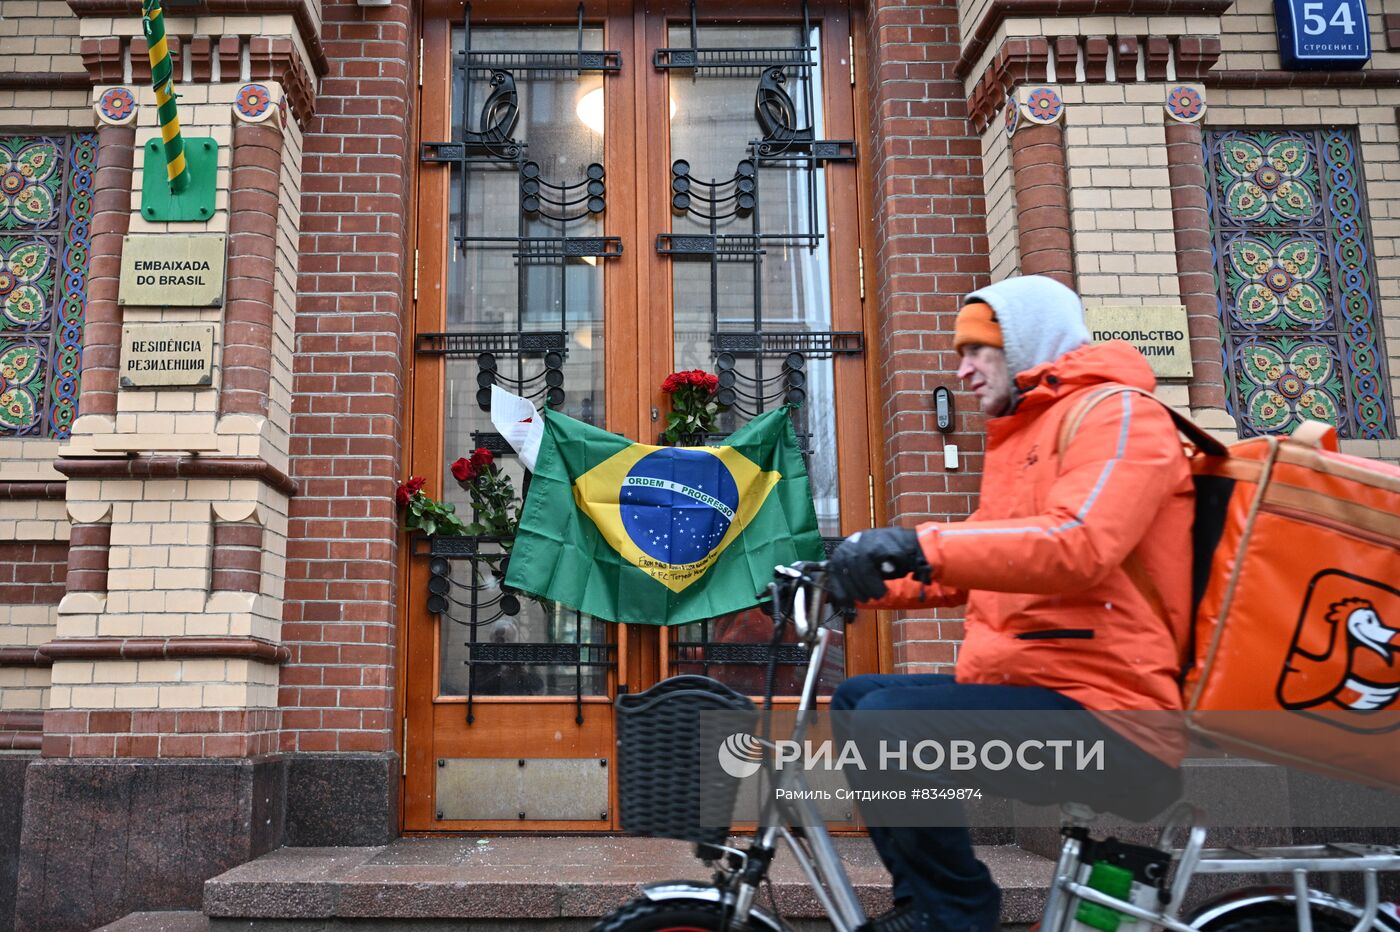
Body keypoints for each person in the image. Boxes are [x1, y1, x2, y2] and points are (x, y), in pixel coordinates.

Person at [823, 274, 1194, 932]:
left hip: (1113, 719)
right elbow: (980, 565)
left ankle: (955, 913)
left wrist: (916, 542)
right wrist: (853, 579)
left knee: (890, 724)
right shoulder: (1025, 435)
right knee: (856, 700)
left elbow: (1077, 545)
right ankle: (924, 903)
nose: (962, 369)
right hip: (1040, 694)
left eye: (976, 351)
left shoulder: (1120, 416)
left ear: (1024, 343)